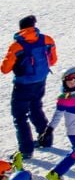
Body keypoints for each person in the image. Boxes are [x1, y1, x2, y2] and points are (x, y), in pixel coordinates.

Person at [2, 15, 57, 164]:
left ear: (21, 28)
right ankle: (46, 139)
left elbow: (5, 69)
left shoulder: (17, 46)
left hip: (23, 85)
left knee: (20, 116)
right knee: (36, 108)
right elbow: (53, 60)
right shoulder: (47, 40)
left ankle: (26, 150)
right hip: (40, 81)